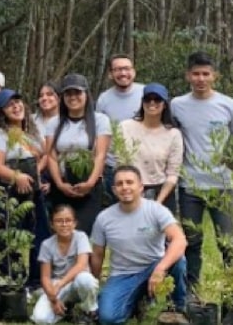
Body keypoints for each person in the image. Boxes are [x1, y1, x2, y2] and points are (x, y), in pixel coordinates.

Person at [171, 51, 233, 290]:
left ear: (215, 76)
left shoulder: (230, 105)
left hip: (222, 185)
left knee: (228, 242)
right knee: (192, 241)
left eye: (206, 74)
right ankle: (192, 292)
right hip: (189, 185)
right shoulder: (177, 105)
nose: (201, 78)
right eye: (196, 74)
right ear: (187, 76)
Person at [91, 165, 188, 325]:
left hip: (153, 267)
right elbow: (97, 255)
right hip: (123, 275)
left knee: (179, 260)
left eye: (130, 182)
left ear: (141, 187)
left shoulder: (156, 210)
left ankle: (177, 308)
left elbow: (180, 240)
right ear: (114, 189)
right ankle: (136, 303)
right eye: (120, 184)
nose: (125, 187)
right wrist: (93, 287)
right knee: (108, 318)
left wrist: (160, 269)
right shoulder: (104, 218)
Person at [0, 88, 48, 289]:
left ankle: (36, 280)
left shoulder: (32, 132)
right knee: (10, 236)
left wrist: (36, 174)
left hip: (35, 192)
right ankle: (13, 279)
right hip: (11, 193)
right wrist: (17, 176)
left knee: (39, 235)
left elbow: (43, 155)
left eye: (18, 102)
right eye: (9, 105)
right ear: (1, 112)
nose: (15, 106)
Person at [45, 73, 111, 235]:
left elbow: (100, 155)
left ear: (86, 95)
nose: (73, 97)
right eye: (68, 94)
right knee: (62, 234)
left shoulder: (100, 120)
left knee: (82, 234)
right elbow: (51, 156)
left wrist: (89, 183)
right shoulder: (54, 123)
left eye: (77, 93)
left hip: (89, 186)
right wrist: (60, 184)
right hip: (62, 186)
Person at [117, 83, 183, 212]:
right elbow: (121, 163)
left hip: (162, 193)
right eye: (148, 99)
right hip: (130, 191)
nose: (152, 103)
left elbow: (173, 173)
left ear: (164, 104)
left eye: (157, 99)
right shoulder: (125, 127)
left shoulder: (173, 134)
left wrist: (158, 203)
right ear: (142, 102)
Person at [30, 205, 98, 324]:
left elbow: (81, 265)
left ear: (75, 223)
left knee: (86, 279)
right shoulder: (46, 244)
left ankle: (90, 312)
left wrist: (60, 285)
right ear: (52, 225)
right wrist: (53, 299)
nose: (64, 224)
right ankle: (66, 311)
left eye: (68, 220)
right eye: (59, 221)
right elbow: (45, 277)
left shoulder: (81, 237)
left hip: (77, 282)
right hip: (57, 284)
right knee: (41, 319)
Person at [96, 54, 145, 202]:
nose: (123, 73)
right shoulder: (104, 99)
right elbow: (99, 135)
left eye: (126, 69)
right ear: (111, 74)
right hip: (113, 166)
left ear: (134, 71)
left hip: (143, 164)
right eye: (117, 70)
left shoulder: (147, 93)